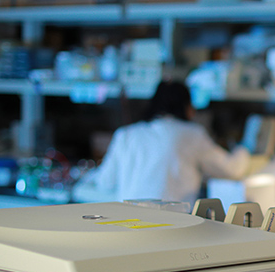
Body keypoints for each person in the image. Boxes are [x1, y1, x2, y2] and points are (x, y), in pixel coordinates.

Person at [73, 80, 250, 206]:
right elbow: (232, 169)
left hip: (127, 224)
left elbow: (105, 182)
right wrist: (245, 149)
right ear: (187, 107)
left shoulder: (126, 135)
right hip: (173, 226)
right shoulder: (191, 134)